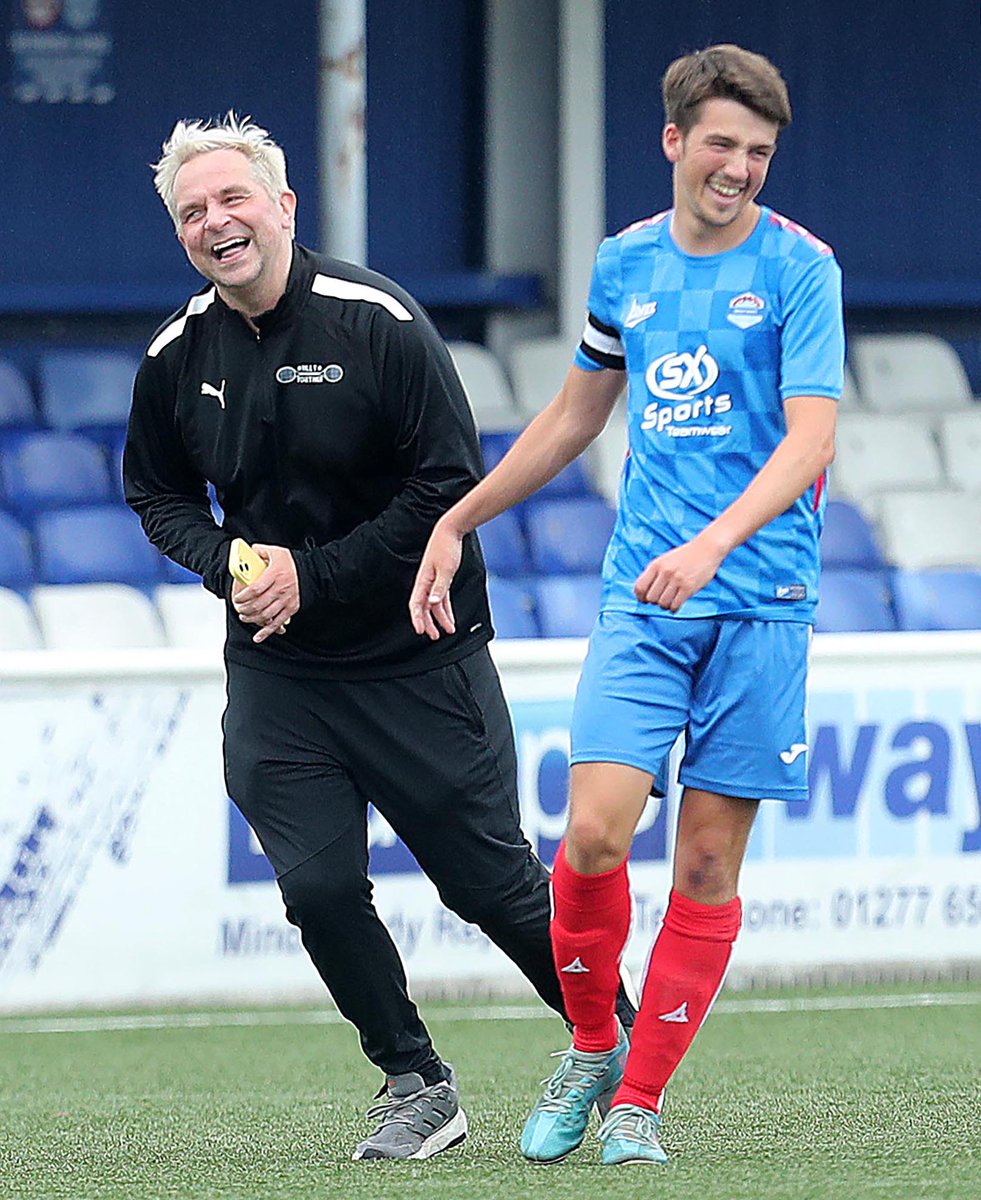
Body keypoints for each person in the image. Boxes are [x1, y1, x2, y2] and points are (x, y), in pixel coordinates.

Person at [123, 112, 635, 1163]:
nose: (216, 222)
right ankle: (416, 1082)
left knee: (489, 886)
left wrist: (312, 577)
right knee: (315, 888)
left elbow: (449, 484)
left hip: (417, 651)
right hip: (280, 672)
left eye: (233, 198)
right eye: (193, 211)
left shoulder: (380, 320)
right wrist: (230, 563)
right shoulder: (176, 355)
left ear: (283, 206)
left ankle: (622, 1045)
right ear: (179, 234)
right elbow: (155, 495)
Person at [410, 44, 844, 1166]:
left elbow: (811, 441)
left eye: (759, 152)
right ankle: (593, 1047)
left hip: (760, 601)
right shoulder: (624, 264)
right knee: (596, 833)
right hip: (645, 600)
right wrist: (460, 519)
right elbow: (573, 416)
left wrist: (712, 545)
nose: (738, 168)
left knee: (703, 868)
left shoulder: (802, 268)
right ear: (673, 141)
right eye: (721, 144)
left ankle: (639, 1101)